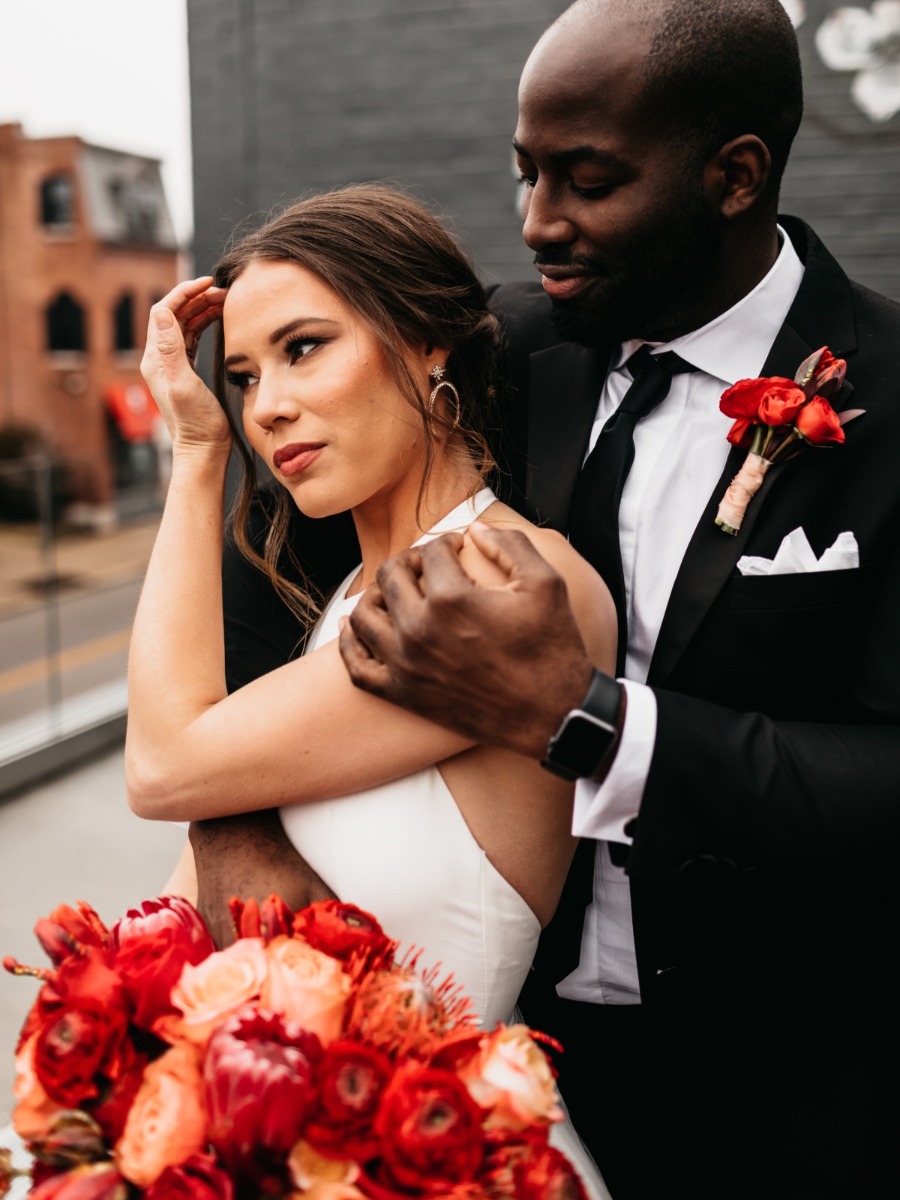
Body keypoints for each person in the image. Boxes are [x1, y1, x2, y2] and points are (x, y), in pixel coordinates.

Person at [189, 1, 900, 1198]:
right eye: (527, 174)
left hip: (806, 1093)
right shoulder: (499, 357)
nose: (536, 225)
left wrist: (595, 725)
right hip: (500, 1079)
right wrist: (240, 832)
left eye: (586, 181)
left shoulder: (892, 396)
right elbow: (263, 596)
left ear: (735, 176)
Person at [127, 184, 615, 1199]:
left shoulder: (504, 584)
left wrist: (194, 454)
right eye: (244, 376)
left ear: (428, 341)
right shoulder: (346, 605)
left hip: (445, 1159)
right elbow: (189, 915)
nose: (263, 406)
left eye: (304, 348)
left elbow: (166, 765)